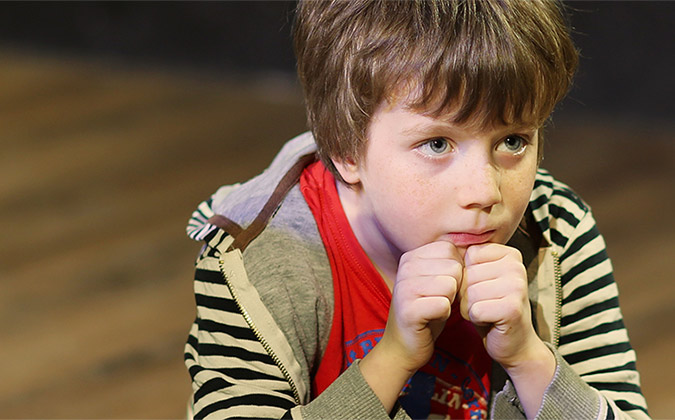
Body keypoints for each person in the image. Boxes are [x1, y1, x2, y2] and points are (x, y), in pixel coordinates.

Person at [184, 0, 649, 418]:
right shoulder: (254, 251)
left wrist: (529, 358)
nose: (485, 191)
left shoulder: (557, 231)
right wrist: (392, 358)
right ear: (347, 150)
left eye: (512, 140)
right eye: (437, 143)